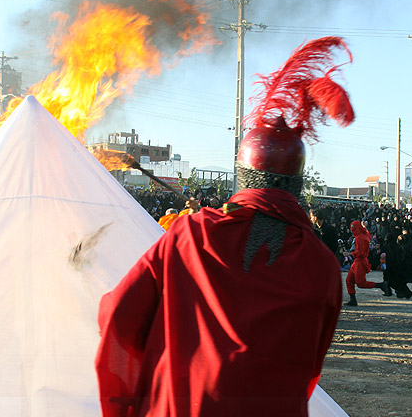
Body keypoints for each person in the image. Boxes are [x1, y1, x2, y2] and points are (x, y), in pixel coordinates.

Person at [96, 37, 353, 416]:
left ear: (243, 175)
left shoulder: (191, 234)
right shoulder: (323, 265)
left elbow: (118, 314)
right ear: (298, 182)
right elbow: (310, 363)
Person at [345, 220, 391, 306]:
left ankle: (380, 285)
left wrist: (350, 253)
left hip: (360, 262)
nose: (351, 229)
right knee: (349, 280)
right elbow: (368, 236)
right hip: (358, 262)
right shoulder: (363, 235)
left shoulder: (359, 238)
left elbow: (361, 253)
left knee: (360, 283)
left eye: (352, 227)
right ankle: (352, 299)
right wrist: (365, 228)